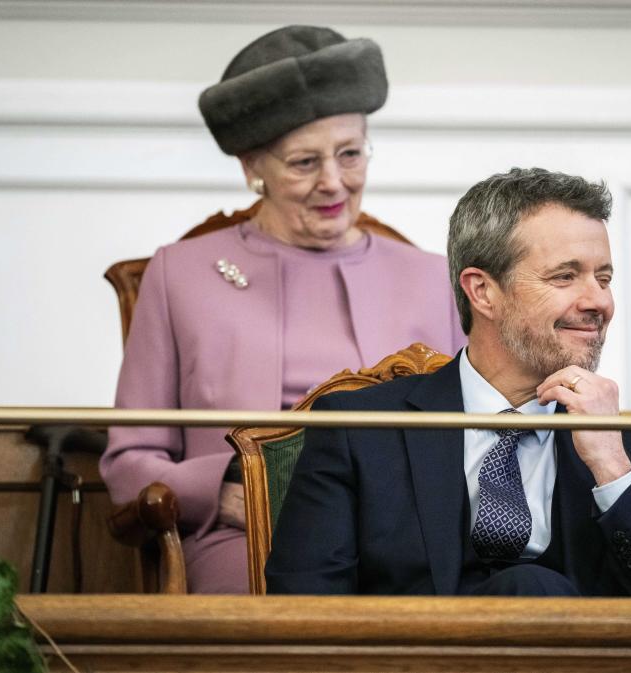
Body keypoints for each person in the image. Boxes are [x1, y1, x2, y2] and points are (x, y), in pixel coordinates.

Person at [100, 25, 466, 594]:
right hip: (248, 540)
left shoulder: (430, 278)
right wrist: (217, 493)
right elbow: (130, 461)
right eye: (303, 162)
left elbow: (483, 436)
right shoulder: (180, 274)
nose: (333, 183)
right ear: (253, 167)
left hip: (407, 546)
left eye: (350, 154)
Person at [267, 167, 631, 597]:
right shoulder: (361, 430)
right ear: (482, 290)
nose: (599, 301)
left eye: (604, 279)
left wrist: (612, 470)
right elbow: (303, 613)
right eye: (565, 276)